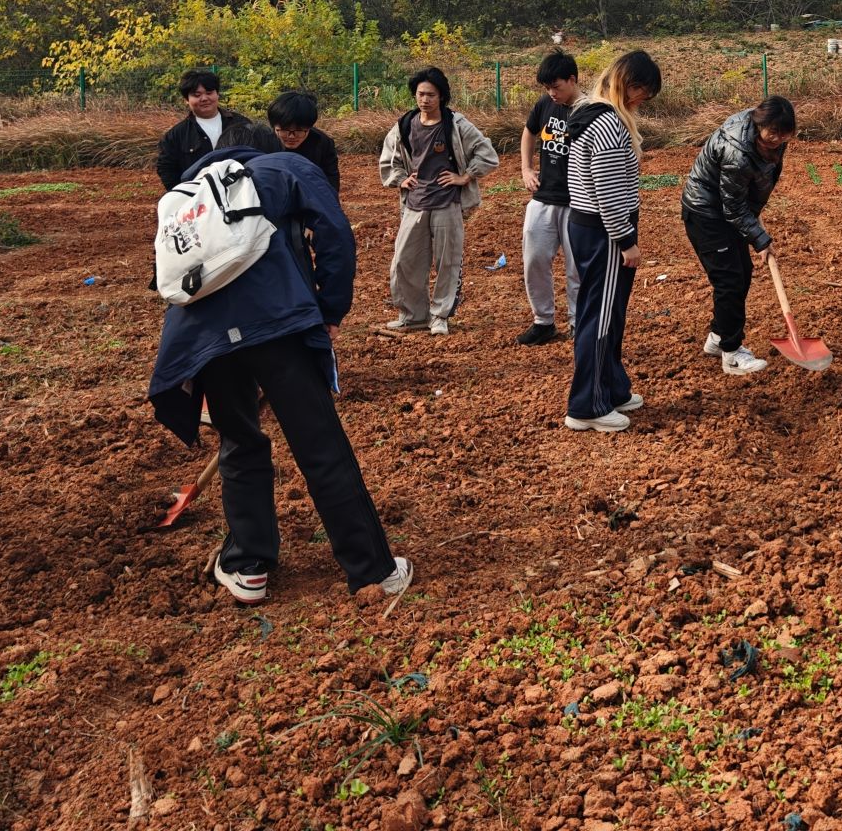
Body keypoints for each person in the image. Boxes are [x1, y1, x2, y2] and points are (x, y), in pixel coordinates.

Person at [148, 139, 411, 606]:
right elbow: (334, 231)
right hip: (276, 320)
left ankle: (247, 566)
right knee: (319, 443)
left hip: (203, 336)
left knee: (239, 441)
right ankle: (374, 571)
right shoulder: (286, 166)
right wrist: (330, 309)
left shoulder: (185, 194)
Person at [563, 51, 663, 432]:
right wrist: (625, 239)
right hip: (604, 232)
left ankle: (612, 387)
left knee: (610, 312)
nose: (642, 102)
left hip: (594, 227)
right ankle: (586, 406)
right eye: (642, 93)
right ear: (628, 84)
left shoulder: (591, 113)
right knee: (599, 316)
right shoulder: (607, 123)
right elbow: (606, 191)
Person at [681, 97, 797, 377]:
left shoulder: (771, 139)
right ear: (759, 125)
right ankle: (731, 354)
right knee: (729, 281)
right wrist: (760, 239)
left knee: (742, 273)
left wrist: (753, 221)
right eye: (773, 133)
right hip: (706, 213)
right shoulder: (737, 151)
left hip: (730, 208)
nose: (779, 139)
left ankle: (719, 337)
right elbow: (732, 207)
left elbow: (754, 187)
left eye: (785, 134)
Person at [379, 68, 499, 337]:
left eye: (431, 95)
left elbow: (487, 153)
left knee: (448, 262)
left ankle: (440, 316)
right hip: (415, 202)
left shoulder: (455, 125)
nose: (425, 100)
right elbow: (390, 158)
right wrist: (401, 179)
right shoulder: (405, 125)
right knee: (404, 261)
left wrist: (465, 176)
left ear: (442, 96)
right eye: (420, 94)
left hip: (447, 202)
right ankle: (413, 316)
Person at [515, 51, 583, 347]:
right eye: (547, 88)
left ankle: (579, 323)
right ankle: (543, 322)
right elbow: (529, 132)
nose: (552, 93)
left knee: (576, 268)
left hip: (577, 201)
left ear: (572, 80)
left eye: (556, 87)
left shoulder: (588, 110)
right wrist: (526, 168)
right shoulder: (545, 104)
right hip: (543, 196)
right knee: (534, 261)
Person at [157, 70, 263, 191]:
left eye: (209, 93)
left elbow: (258, 156)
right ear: (186, 99)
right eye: (197, 95)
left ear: (217, 94)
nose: (204, 98)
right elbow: (166, 169)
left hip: (241, 192)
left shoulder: (241, 123)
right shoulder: (176, 135)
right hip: (200, 195)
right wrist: (185, 194)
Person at [266, 91, 340, 193]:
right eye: (284, 130)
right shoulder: (263, 141)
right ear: (273, 126)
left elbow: (331, 181)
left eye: (299, 131)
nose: (291, 136)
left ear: (309, 127)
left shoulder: (322, 142)